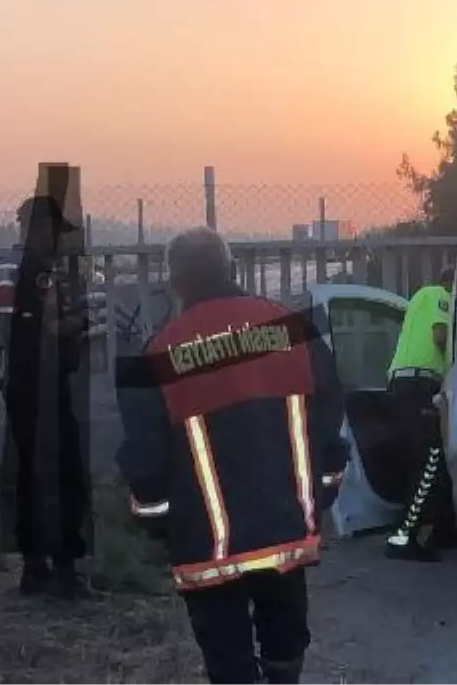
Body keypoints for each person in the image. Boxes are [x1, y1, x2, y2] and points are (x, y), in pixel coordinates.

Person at [115, 227, 348, 685]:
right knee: (285, 641)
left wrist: (159, 527)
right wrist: (319, 497)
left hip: (205, 546)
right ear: (232, 269)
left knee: (227, 659)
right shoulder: (293, 329)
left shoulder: (156, 356)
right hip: (285, 533)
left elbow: (144, 465)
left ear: (176, 282)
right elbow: (330, 425)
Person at [0, 194, 93, 598]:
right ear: (37, 230)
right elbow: (41, 330)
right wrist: (72, 321)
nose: (60, 241)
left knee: (32, 474)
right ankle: (61, 566)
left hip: (28, 387)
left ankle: (37, 566)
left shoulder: (10, 272)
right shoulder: (28, 274)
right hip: (38, 388)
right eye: (55, 232)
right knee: (60, 473)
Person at [384, 267, 456, 562]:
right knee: (430, 460)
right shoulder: (441, 296)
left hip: (403, 384)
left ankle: (443, 529)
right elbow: (441, 336)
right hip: (420, 384)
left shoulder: (419, 298)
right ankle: (402, 538)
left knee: (426, 460)